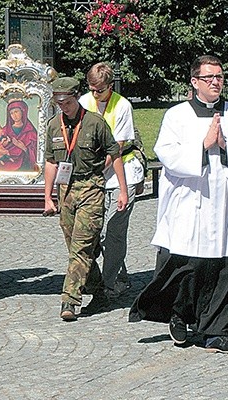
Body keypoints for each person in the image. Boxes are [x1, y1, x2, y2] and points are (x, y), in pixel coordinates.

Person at [129, 55, 228, 354]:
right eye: (209, 78)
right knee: (191, 266)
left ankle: (218, 332)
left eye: (219, 77)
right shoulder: (177, 116)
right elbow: (165, 153)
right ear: (194, 82)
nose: (215, 82)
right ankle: (179, 315)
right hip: (191, 202)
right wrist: (203, 146)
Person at [43, 77, 128, 322]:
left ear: (76, 97)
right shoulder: (53, 126)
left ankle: (69, 299)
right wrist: (48, 197)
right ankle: (98, 289)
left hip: (91, 186)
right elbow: (51, 161)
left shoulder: (94, 123)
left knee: (81, 246)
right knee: (76, 246)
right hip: (66, 190)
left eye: (67, 102)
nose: (64, 107)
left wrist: (122, 190)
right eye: (59, 103)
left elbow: (116, 154)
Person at [79, 62, 146, 299]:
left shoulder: (122, 106)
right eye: (91, 89)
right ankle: (118, 276)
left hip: (120, 173)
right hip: (93, 173)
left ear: (110, 86)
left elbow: (116, 147)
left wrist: (96, 170)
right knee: (94, 231)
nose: (95, 94)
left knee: (113, 232)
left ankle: (108, 284)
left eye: (100, 90)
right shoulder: (84, 102)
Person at [0, 99, 38, 171]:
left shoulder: (30, 131)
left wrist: (24, 148)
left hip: (24, 166)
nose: (14, 115)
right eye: (11, 113)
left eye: (16, 112)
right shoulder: (4, 131)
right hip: (5, 164)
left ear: (22, 112)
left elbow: (36, 153)